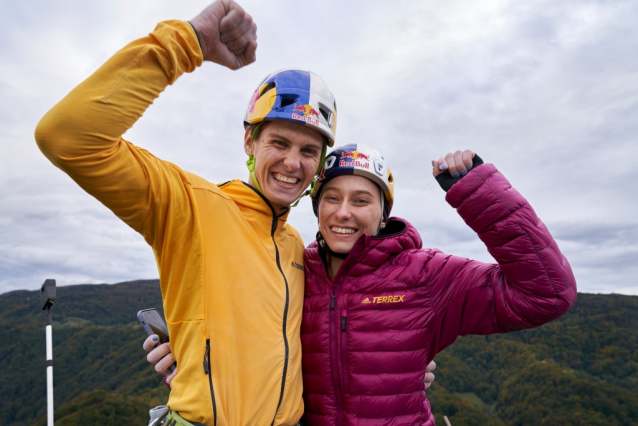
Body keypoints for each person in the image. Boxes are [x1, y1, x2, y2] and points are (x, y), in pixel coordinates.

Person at [34, 1, 341, 425]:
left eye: (309, 151)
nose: (293, 163)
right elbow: (67, 138)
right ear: (250, 143)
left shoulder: (295, 247)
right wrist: (188, 42)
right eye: (280, 143)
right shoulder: (190, 204)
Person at [149, 143, 577, 425]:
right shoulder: (295, 269)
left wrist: (479, 192)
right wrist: (186, 363)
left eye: (361, 200)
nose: (343, 213)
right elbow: (255, 352)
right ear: (316, 208)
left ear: (383, 213)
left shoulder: (425, 274)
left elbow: (546, 293)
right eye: (332, 198)